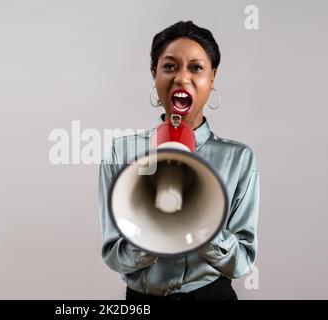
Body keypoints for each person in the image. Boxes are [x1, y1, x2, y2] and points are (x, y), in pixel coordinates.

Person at [98, 21, 260, 300]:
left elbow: (242, 262)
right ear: (154, 74)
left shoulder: (239, 158)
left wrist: (202, 228)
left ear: (212, 77)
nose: (182, 78)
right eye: (170, 67)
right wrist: (154, 232)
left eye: (196, 68)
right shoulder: (120, 153)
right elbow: (114, 255)